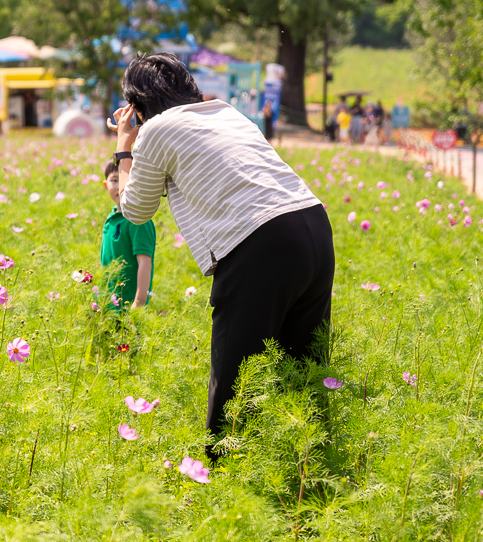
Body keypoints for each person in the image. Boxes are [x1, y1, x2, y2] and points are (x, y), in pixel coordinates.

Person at [108, 52, 332, 455]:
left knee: (235, 386)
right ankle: (310, 466)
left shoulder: (156, 129)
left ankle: (224, 476)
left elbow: (135, 210)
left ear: (138, 105)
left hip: (260, 241)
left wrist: (125, 147)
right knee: (304, 372)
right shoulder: (224, 111)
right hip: (312, 224)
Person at [100, 159, 156, 312]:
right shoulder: (112, 218)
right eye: (114, 180)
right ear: (105, 185)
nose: (120, 185)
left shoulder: (139, 219)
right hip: (108, 305)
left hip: (129, 306)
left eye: (127, 178)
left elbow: (145, 262)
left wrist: (139, 303)